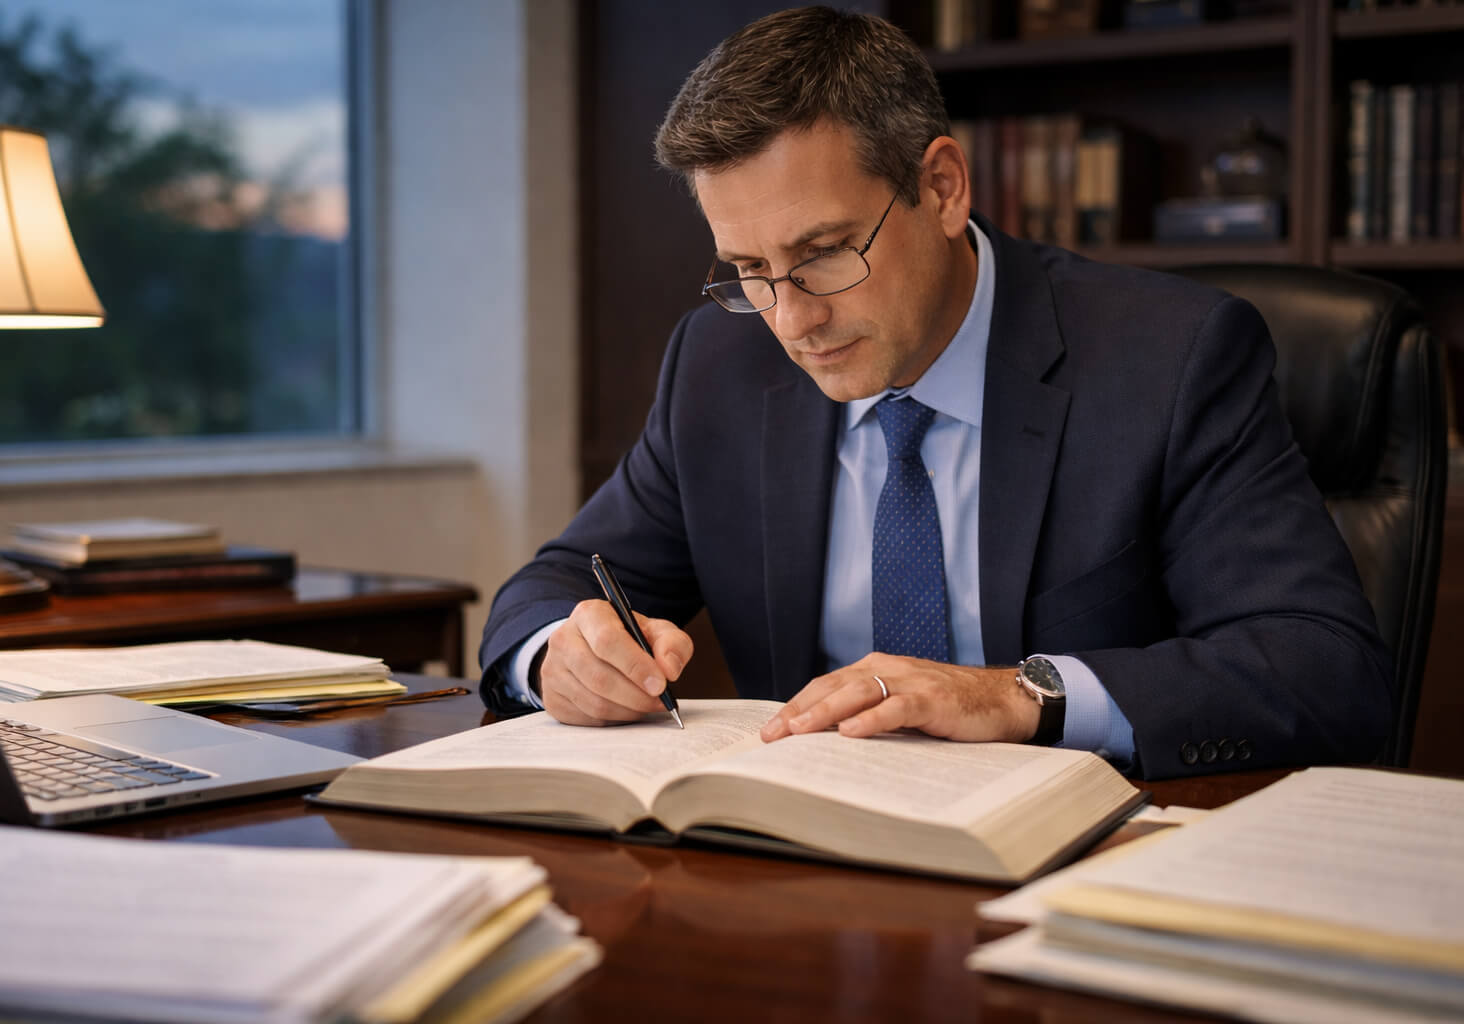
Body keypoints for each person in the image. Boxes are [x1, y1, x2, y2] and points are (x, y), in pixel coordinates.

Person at [477, 6, 1392, 778]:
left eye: (824, 253)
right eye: (749, 268)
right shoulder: (721, 365)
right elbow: (553, 584)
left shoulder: (1171, 358)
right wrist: (560, 653)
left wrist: (1019, 692)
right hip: (810, 863)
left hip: (1082, 869)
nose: (790, 320)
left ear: (943, 188)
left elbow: (1323, 669)